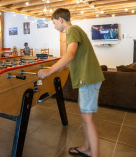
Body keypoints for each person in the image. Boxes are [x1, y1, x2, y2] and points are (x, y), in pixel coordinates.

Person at [37, 8, 104, 157]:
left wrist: (50, 70)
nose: (54, 27)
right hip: (86, 78)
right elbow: (77, 56)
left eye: (54, 23)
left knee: (87, 117)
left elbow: (71, 54)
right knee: (85, 115)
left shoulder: (72, 30)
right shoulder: (74, 31)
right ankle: (87, 147)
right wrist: (63, 67)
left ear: (61, 19)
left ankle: (95, 154)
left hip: (88, 78)